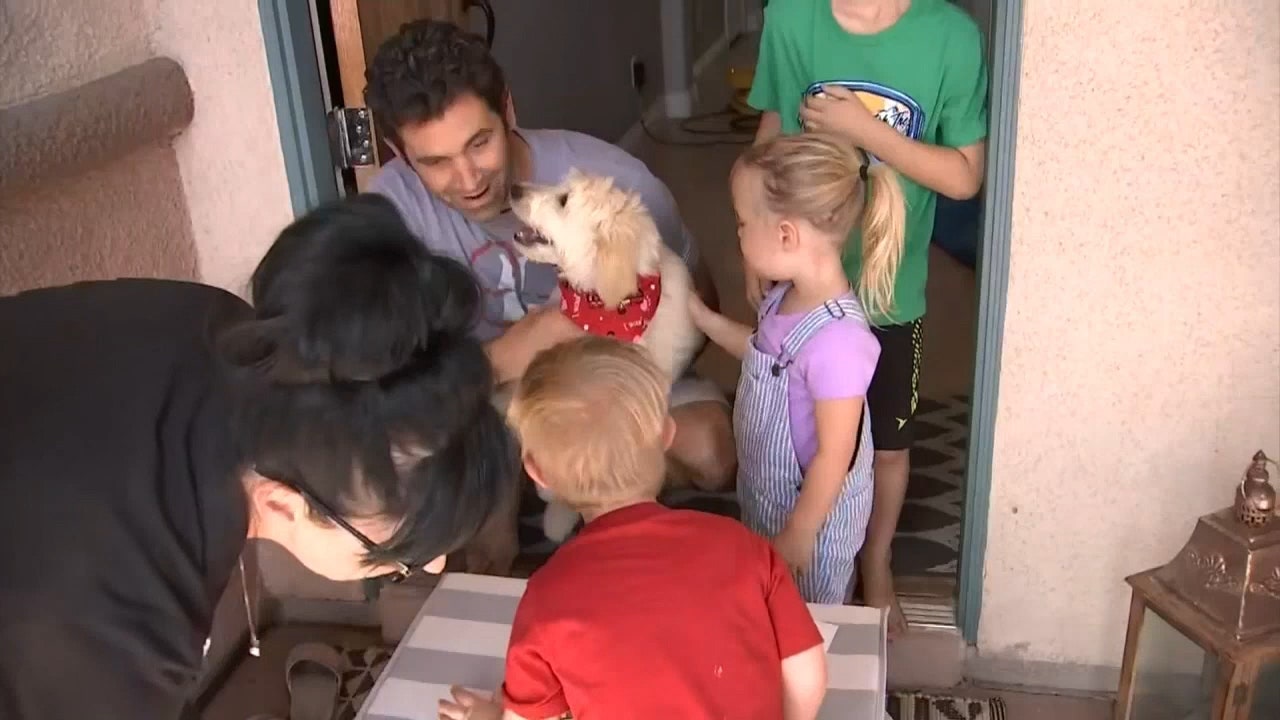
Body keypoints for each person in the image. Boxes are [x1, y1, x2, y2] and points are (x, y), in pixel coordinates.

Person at [0, 194, 517, 719]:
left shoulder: (222, 326)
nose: (433, 562)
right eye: (394, 560)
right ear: (282, 505)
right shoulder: (122, 630)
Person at [363, 20, 736, 496]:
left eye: (480, 143)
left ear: (508, 109)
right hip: (482, 401)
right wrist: (505, 358)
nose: (469, 179)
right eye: (435, 162)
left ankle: (560, 485)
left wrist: (610, 394)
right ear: (398, 153)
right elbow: (384, 386)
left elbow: (701, 306)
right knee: (413, 472)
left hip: (619, 387)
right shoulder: (388, 216)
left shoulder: (618, 188)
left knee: (711, 452)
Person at [746, 0, 989, 633]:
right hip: (802, 282)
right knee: (791, 433)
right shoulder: (791, 19)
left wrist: (866, 132)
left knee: (886, 446)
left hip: (890, 293)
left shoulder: (951, 38)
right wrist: (754, 236)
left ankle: (875, 563)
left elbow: (965, 177)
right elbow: (770, 138)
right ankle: (790, 551)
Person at [438, 337, 827, 720]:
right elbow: (807, 673)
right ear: (667, 434)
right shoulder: (741, 545)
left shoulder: (545, 597)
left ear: (538, 474)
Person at [688, 133, 905, 604]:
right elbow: (764, 358)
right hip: (768, 501)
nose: (738, 233)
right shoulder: (786, 298)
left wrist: (801, 533)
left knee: (808, 623)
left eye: (743, 222)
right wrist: (702, 318)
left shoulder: (839, 343)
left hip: (812, 532)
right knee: (771, 610)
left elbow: (835, 455)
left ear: (786, 235)